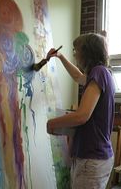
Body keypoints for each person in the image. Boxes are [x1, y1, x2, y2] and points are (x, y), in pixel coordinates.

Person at [46, 33, 115, 189]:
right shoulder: (102, 73)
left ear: (87, 52)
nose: (75, 54)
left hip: (92, 158)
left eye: (76, 50)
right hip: (95, 157)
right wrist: (60, 56)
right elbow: (78, 77)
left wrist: (52, 122)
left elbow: (82, 115)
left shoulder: (99, 72)